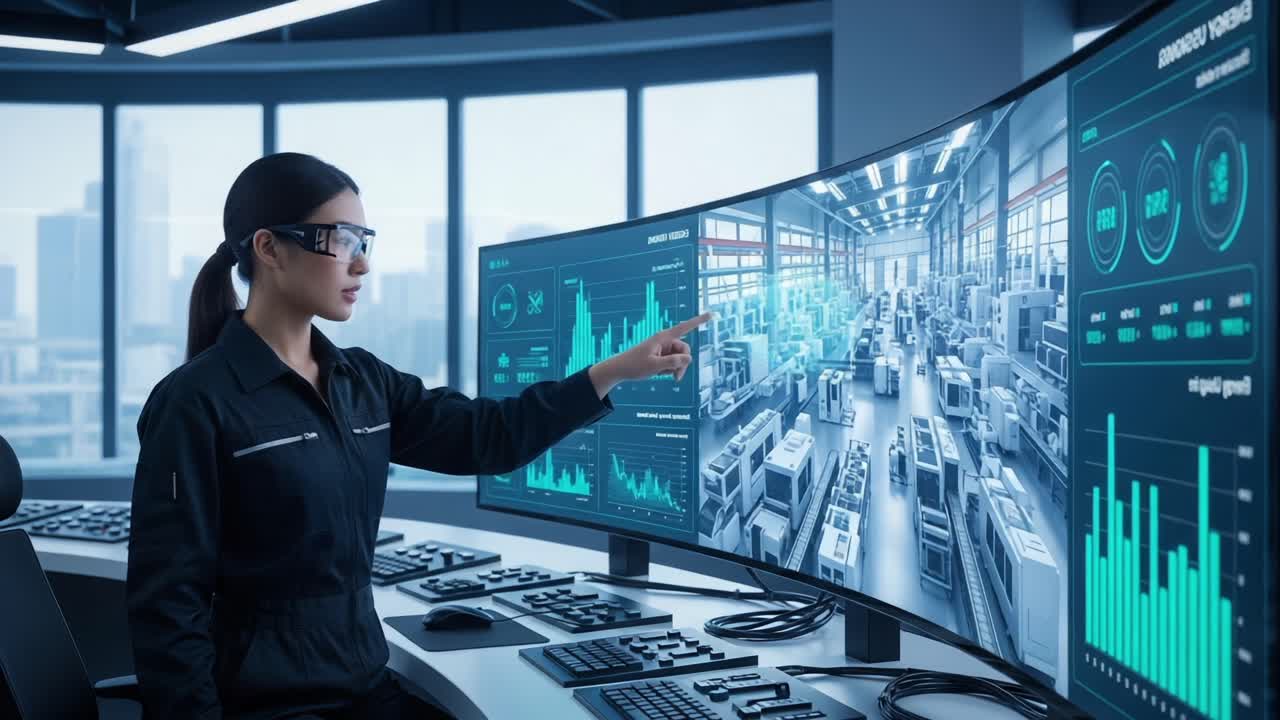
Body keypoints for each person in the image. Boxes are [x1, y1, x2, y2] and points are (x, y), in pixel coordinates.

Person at [125, 152, 710, 720]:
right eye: (341, 239)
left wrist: (609, 372)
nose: (361, 265)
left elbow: (488, 437)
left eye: (364, 241)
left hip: (362, 689)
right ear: (269, 247)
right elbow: (167, 609)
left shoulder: (362, 382)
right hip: (270, 705)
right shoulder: (194, 403)